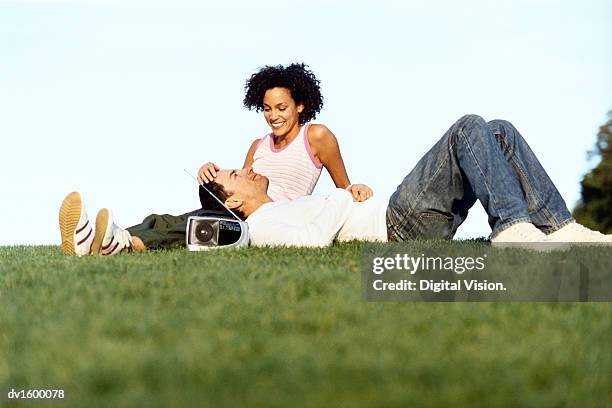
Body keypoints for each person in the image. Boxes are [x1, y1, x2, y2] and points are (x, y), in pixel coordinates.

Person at [59, 114, 611, 256]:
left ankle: (558, 226)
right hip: (399, 222)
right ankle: (513, 228)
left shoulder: (281, 202)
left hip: (401, 216)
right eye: (236, 174)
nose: (247, 168)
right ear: (233, 200)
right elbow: (304, 238)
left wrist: (345, 192)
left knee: (498, 132)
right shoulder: (263, 222)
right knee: (467, 128)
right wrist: (345, 199)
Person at [197, 63, 373, 202]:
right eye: (267, 109)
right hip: (251, 219)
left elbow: (344, 188)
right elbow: (240, 190)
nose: (273, 116)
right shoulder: (258, 145)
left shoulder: (317, 136)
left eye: (281, 108)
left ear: (300, 105)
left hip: (283, 222)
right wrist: (210, 174)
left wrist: (356, 189)